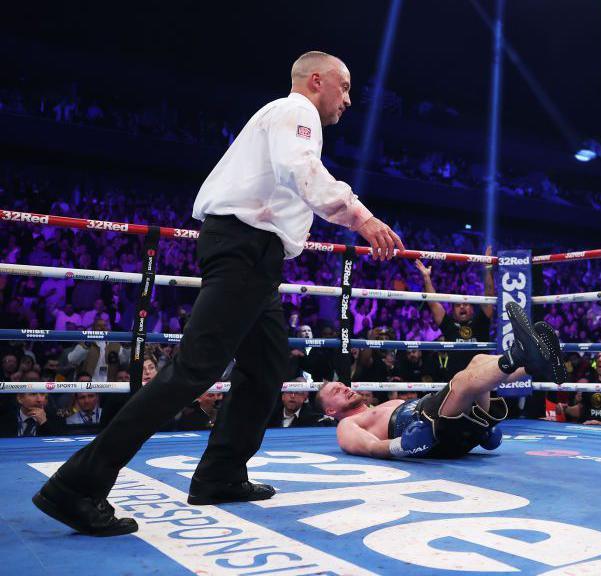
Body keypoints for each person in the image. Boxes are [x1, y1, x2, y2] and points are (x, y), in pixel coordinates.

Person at [33, 50, 405, 536]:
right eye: (345, 88)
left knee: (268, 364)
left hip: (256, 256)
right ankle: (78, 485)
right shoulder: (297, 112)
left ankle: (221, 474)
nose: (349, 101)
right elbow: (303, 170)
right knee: (193, 371)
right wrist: (361, 216)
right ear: (317, 81)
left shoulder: (281, 117)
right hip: (244, 248)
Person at [319, 303, 564, 459]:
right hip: (430, 429)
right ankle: (520, 356)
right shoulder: (346, 427)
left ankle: (533, 365)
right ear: (330, 410)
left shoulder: (373, 408)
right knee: (461, 383)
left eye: (342, 385)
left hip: (441, 420)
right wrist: (402, 446)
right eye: (336, 391)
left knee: (478, 360)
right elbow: (372, 447)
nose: (344, 387)